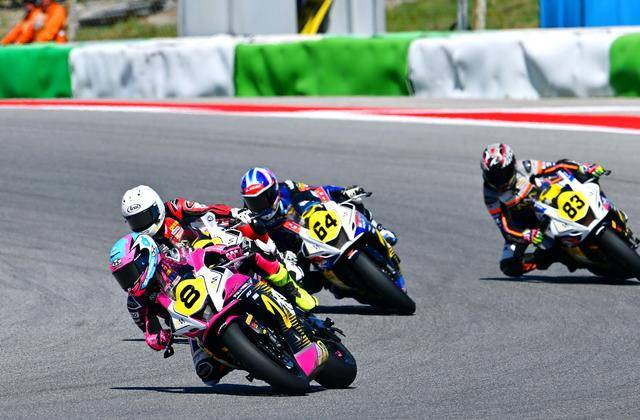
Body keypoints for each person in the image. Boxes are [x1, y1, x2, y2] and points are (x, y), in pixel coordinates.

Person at [109, 233, 326, 386]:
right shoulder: (136, 302)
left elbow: (202, 251)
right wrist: (159, 338)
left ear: (144, 256)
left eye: (129, 272)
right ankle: (259, 363)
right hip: (195, 324)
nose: (128, 281)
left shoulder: (172, 255)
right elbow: (149, 331)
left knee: (253, 270)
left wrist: (226, 251)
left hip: (220, 289)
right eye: (122, 277)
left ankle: (295, 321)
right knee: (207, 373)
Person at [120, 185, 317, 311]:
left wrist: (234, 212)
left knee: (250, 238)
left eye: (144, 217)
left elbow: (206, 210)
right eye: (134, 221)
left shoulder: (173, 208)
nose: (141, 225)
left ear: (156, 208)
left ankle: (289, 283)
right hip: (186, 279)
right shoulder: (141, 245)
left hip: (208, 250)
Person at [239, 167, 400, 293]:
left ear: (273, 191)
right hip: (297, 251)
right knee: (305, 285)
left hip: (314, 225)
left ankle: (379, 228)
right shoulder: (253, 221)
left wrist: (343, 191)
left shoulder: (287, 188)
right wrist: (281, 257)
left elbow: (317, 190)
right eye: (253, 202)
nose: (258, 206)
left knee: (352, 202)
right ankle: (334, 283)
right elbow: (262, 250)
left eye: (262, 199)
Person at [481, 143, 610, 277]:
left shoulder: (525, 166)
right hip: (526, 225)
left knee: (574, 169)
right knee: (508, 265)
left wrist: (584, 167)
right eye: (493, 175)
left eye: (503, 173)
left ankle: (602, 203)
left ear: (512, 165)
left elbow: (557, 166)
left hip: (549, 199)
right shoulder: (490, 195)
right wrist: (525, 235)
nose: (499, 179)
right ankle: (557, 254)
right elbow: (504, 227)